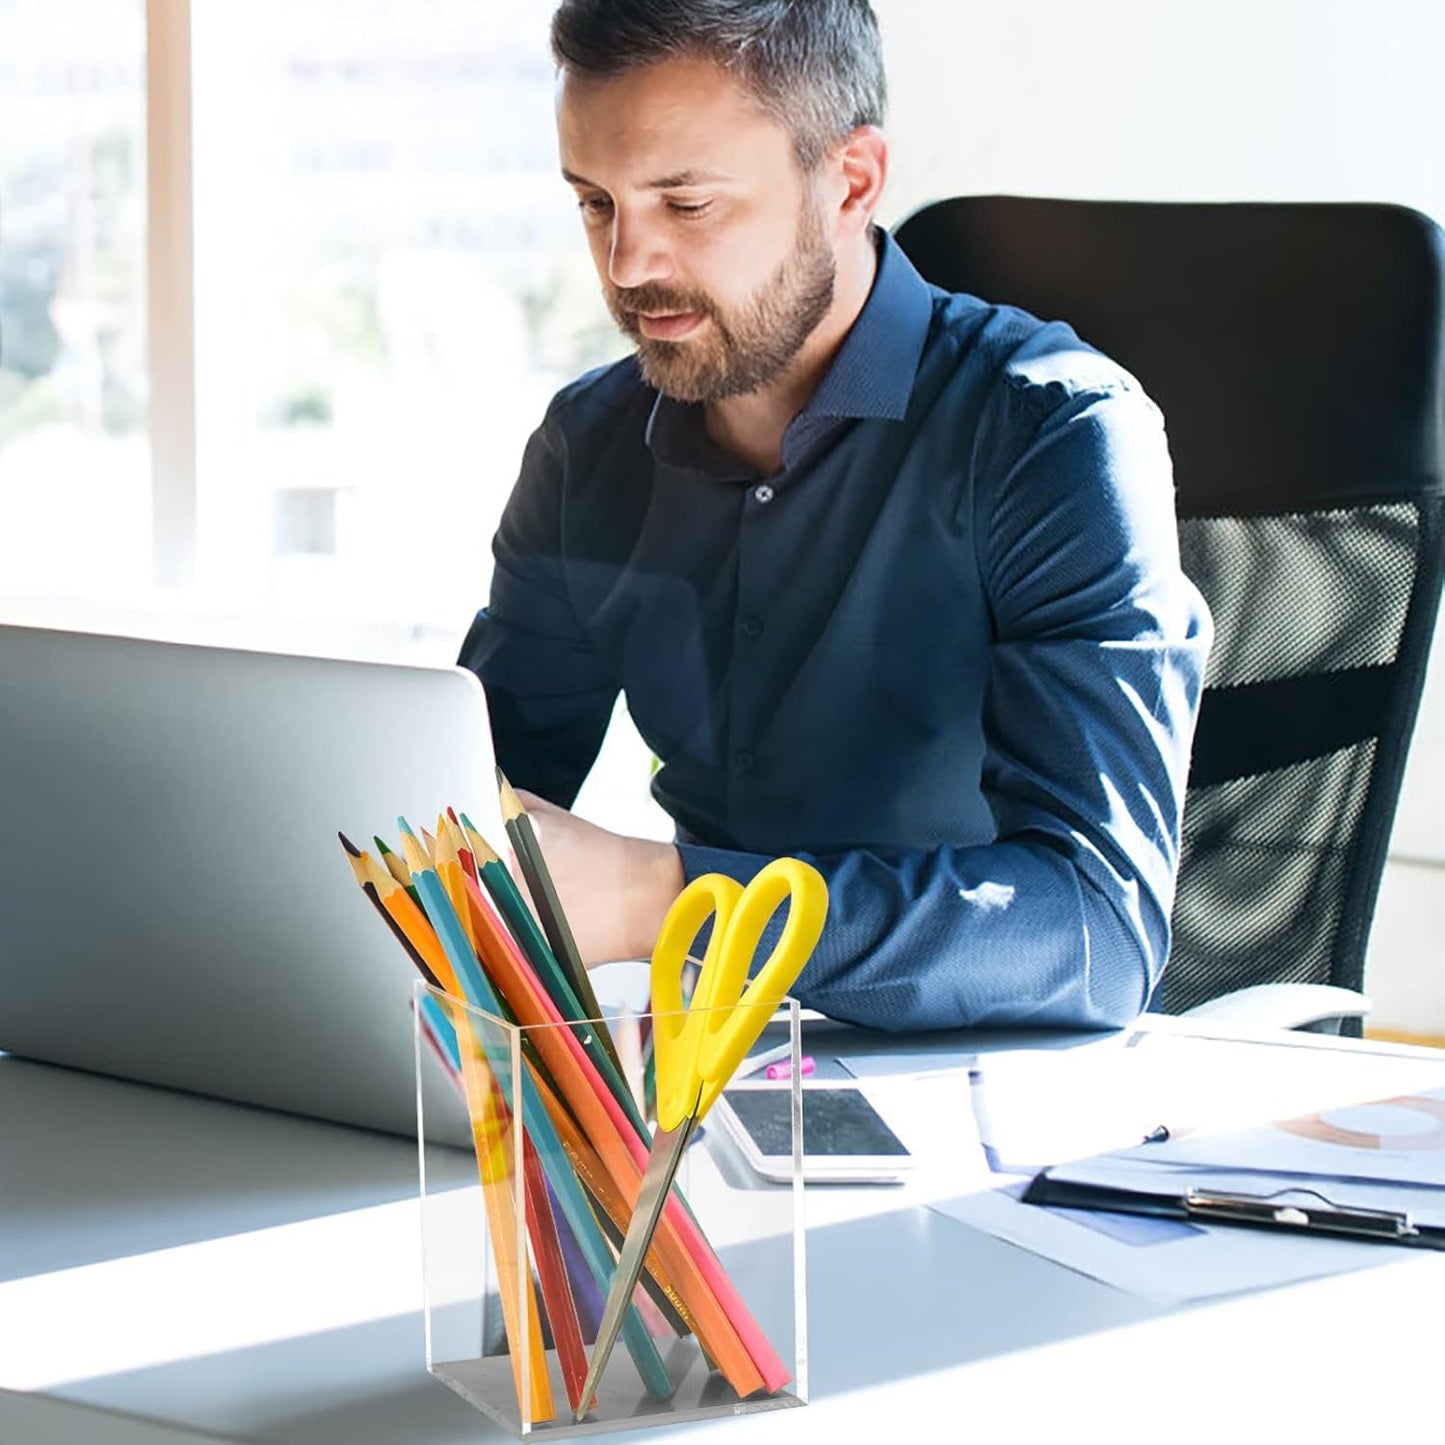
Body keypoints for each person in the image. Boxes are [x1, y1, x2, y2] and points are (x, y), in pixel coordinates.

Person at [459, 0, 1212, 1032]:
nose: (627, 264)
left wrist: (669, 898)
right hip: (695, 1066)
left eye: (686, 204)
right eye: (596, 204)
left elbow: (1093, 933)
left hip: (989, 1089)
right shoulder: (586, 444)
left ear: (850, 182)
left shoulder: (1052, 432)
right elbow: (466, 801)